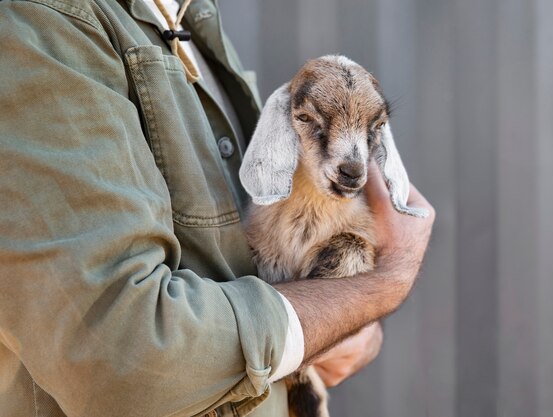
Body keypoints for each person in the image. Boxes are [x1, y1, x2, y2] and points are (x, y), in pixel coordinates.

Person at [0, 0, 435, 416]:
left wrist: (340, 319)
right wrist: (384, 283)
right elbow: (122, 358)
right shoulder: (44, 21)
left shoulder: (188, 14)